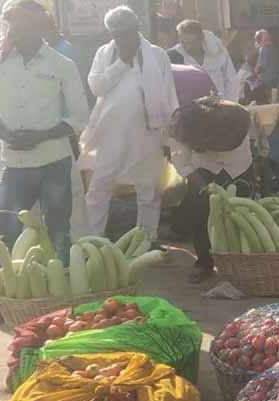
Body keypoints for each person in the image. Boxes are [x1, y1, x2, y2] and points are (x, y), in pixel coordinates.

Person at [0, 0, 89, 329]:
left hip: (53, 161)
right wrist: (6, 132)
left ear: (40, 28)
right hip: (15, 163)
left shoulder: (62, 64)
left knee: (59, 229)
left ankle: (62, 301)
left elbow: (79, 116)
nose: (16, 31)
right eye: (13, 26)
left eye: (23, 26)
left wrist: (43, 134)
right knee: (4, 232)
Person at [80, 6, 179, 243]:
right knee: (99, 186)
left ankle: (146, 239)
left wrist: (169, 137)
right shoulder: (105, 54)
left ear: (137, 29)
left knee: (148, 189)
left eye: (126, 32)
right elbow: (96, 87)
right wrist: (121, 63)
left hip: (148, 132)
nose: (122, 38)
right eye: (116, 34)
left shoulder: (156, 55)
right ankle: (95, 239)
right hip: (111, 132)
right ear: (110, 34)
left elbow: (168, 94)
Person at [169, 97, 253, 283]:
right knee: (201, 215)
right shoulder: (182, 126)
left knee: (243, 215)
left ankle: (243, 263)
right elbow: (181, 163)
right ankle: (204, 263)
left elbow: (258, 138)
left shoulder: (237, 117)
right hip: (204, 169)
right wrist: (203, 187)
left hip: (239, 167)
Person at [170, 20, 241, 102]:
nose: (187, 47)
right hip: (192, 108)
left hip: (222, 104)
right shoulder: (174, 56)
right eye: (183, 42)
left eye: (191, 43)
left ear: (201, 39)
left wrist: (231, 104)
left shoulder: (219, 50)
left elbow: (231, 79)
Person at [249, 29, 279, 103]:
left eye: (259, 38)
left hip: (267, 81)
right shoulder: (273, 48)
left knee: (253, 90)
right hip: (273, 79)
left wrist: (254, 74)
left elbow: (262, 66)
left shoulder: (265, 49)